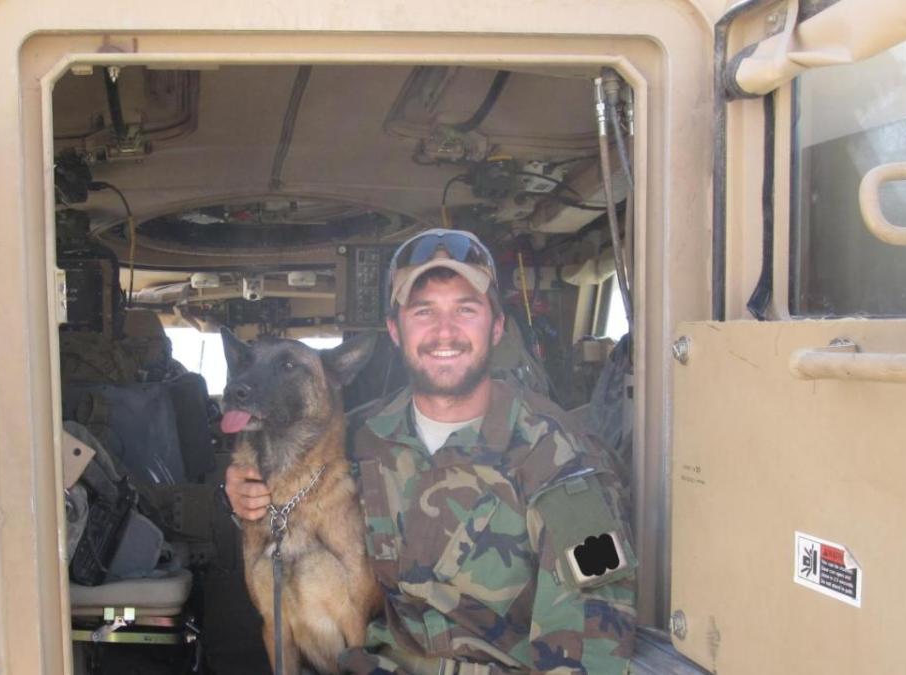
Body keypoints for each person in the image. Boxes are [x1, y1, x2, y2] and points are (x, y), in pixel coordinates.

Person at [225, 229, 636, 674]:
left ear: (497, 326)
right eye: (423, 311)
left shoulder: (562, 462)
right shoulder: (361, 436)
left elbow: (595, 636)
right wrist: (242, 489)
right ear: (395, 330)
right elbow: (290, 471)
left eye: (466, 309)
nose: (444, 332)